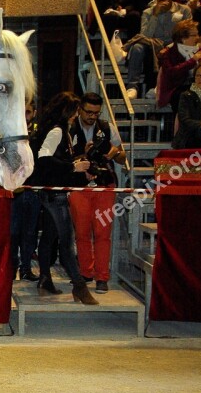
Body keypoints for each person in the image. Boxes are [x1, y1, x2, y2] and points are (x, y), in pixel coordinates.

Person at [25, 91, 98, 305]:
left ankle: (45, 278)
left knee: (50, 236)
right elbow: (44, 158)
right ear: (67, 111)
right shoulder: (57, 131)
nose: (76, 115)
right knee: (66, 242)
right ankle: (79, 287)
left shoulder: (59, 130)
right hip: (54, 194)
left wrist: (77, 164)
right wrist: (73, 166)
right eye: (75, 111)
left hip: (53, 191)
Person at [68, 93, 127, 294]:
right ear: (80, 110)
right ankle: (86, 272)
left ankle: (102, 277)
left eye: (96, 113)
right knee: (82, 232)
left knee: (103, 234)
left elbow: (122, 158)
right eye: (88, 112)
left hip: (105, 184)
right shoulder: (69, 128)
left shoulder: (107, 127)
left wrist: (113, 152)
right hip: (79, 186)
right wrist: (81, 154)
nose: (92, 116)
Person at [125, 0, 192, 100]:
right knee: (137, 47)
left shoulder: (184, 10)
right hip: (153, 44)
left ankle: (162, 87)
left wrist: (169, 47)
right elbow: (144, 35)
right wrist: (155, 15)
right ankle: (132, 87)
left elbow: (188, 34)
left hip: (175, 45)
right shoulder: (148, 12)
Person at [10, 99, 41, 281]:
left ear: (34, 113)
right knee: (13, 232)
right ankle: (12, 268)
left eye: (28, 112)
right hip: (14, 191)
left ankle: (26, 268)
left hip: (33, 190)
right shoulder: (11, 132)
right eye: (22, 112)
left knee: (30, 233)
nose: (24, 116)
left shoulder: (38, 134)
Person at [157, 19, 201, 109]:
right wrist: (192, 61)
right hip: (177, 87)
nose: (197, 37)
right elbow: (171, 73)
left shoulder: (199, 51)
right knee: (184, 96)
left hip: (199, 85)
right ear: (183, 38)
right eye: (194, 35)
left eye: (197, 34)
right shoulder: (168, 53)